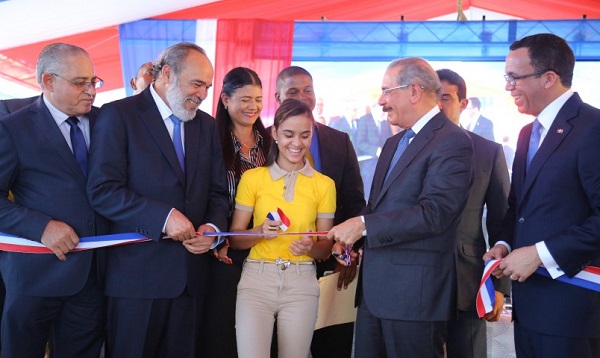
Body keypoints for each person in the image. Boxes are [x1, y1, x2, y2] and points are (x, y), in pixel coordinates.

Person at [86, 42, 229, 357]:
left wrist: (212, 230)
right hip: (136, 285)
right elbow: (103, 189)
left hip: (191, 283)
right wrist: (164, 217)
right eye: (196, 84)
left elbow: (218, 192)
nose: (203, 94)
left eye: (207, 86)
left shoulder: (205, 125)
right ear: (166, 74)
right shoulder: (118, 115)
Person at [328, 57, 473, 357]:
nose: (381, 101)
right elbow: (377, 208)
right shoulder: (395, 143)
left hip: (414, 299)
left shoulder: (452, 141)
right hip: (374, 294)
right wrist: (353, 238)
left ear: (415, 91)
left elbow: (435, 213)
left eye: (387, 91)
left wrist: (364, 226)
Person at [484, 33, 600, 358]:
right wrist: (503, 245)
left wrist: (540, 254)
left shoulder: (593, 127)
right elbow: (518, 206)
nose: (508, 87)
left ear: (549, 78)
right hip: (529, 307)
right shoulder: (527, 133)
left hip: (572, 310)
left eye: (514, 78)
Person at [0, 43, 109, 357]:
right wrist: (42, 227)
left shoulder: (108, 123)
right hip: (33, 277)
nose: (91, 90)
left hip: (93, 279)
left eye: (94, 81)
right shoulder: (13, 128)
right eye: (79, 83)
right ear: (48, 82)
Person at [229, 98, 336, 358]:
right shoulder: (253, 178)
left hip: (302, 281)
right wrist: (258, 233)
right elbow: (234, 239)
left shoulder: (324, 185)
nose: (296, 143)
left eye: (304, 135)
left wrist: (311, 248)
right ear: (275, 133)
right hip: (256, 279)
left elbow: (325, 248)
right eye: (288, 134)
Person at [274, 65, 365, 358]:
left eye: (308, 90)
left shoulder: (339, 141)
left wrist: (348, 253)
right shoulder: (262, 142)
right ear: (277, 97)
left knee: (332, 347)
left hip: (331, 270)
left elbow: (355, 205)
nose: (302, 97)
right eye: (292, 91)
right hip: (277, 269)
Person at [436, 68, 511, 358]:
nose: (439, 105)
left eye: (446, 98)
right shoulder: (403, 148)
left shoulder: (488, 152)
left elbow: (502, 221)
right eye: (434, 98)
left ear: (463, 103)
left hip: (467, 280)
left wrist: (500, 284)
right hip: (414, 282)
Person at [201, 67, 272, 358]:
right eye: (244, 99)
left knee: (261, 336)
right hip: (224, 254)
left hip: (266, 250)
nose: (252, 106)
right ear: (225, 100)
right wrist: (218, 237)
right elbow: (204, 194)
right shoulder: (209, 140)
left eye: (258, 99)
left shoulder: (272, 144)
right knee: (223, 334)